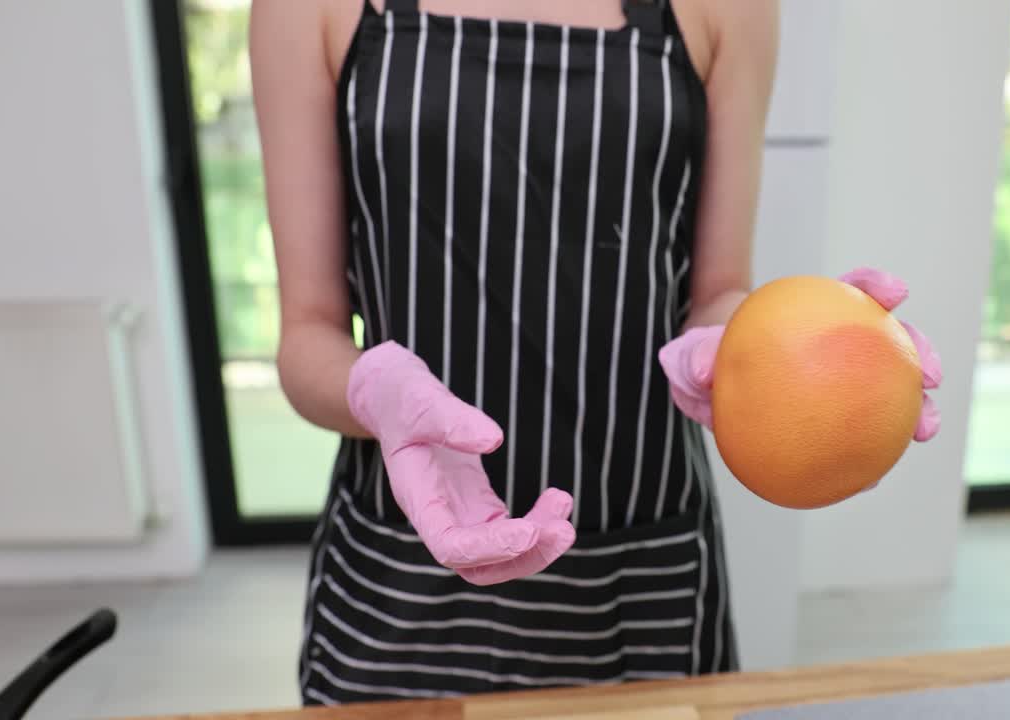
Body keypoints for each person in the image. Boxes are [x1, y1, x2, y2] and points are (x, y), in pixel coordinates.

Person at [249, 0, 939, 705]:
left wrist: (784, 354)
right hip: (398, 580)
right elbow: (308, 333)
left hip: (645, 577)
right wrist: (376, 392)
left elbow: (720, 290)